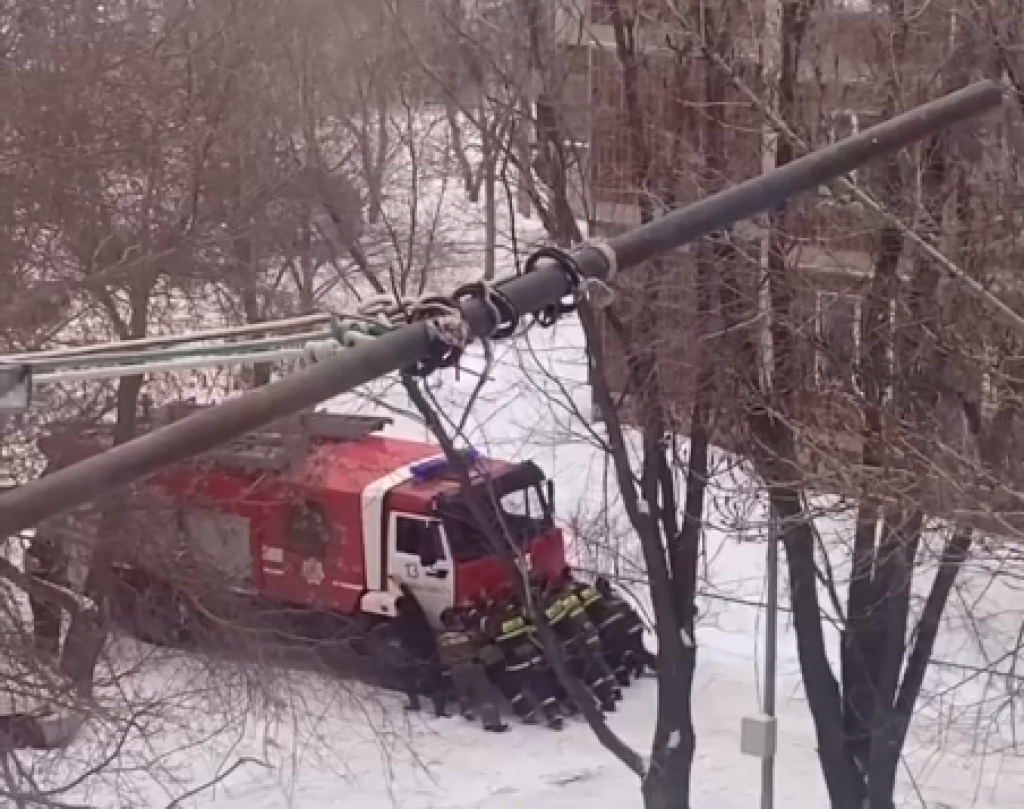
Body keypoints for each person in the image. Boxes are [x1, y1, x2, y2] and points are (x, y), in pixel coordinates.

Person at [479, 599, 563, 730]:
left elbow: (487, 634)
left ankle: (526, 711)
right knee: (542, 686)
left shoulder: (494, 622)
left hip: (514, 665)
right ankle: (553, 713)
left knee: (509, 687)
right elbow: (533, 633)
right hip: (533, 659)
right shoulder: (521, 615)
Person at [542, 575, 620, 711]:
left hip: (578, 640)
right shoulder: (569, 596)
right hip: (589, 632)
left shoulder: (554, 603)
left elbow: (555, 624)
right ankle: (611, 691)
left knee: (587, 670)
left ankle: (603, 699)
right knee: (596, 663)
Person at [437, 607, 508, 733]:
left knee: (462, 692)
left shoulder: (441, 639)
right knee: (486, 695)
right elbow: (483, 641)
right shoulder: (468, 635)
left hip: (456, 670)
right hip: (473, 666)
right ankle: (491, 723)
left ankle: (466, 711)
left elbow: (442, 657)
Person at [392, 584, 447, 716]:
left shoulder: (399, 621)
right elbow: (412, 599)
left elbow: (397, 639)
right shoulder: (418, 613)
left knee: (407, 677)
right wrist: (403, 586)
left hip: (413, 653)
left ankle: (414, 703)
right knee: (434, 680)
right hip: (429, 649)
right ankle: (440, 711)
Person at [595, 576, 657, 678]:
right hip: (634, 625)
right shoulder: (616, 594)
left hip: (622, 629)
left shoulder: (601, 600)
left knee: (616, 652)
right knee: (637, 648)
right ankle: (652, 665)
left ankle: (630, 670)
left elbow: (604, 622)